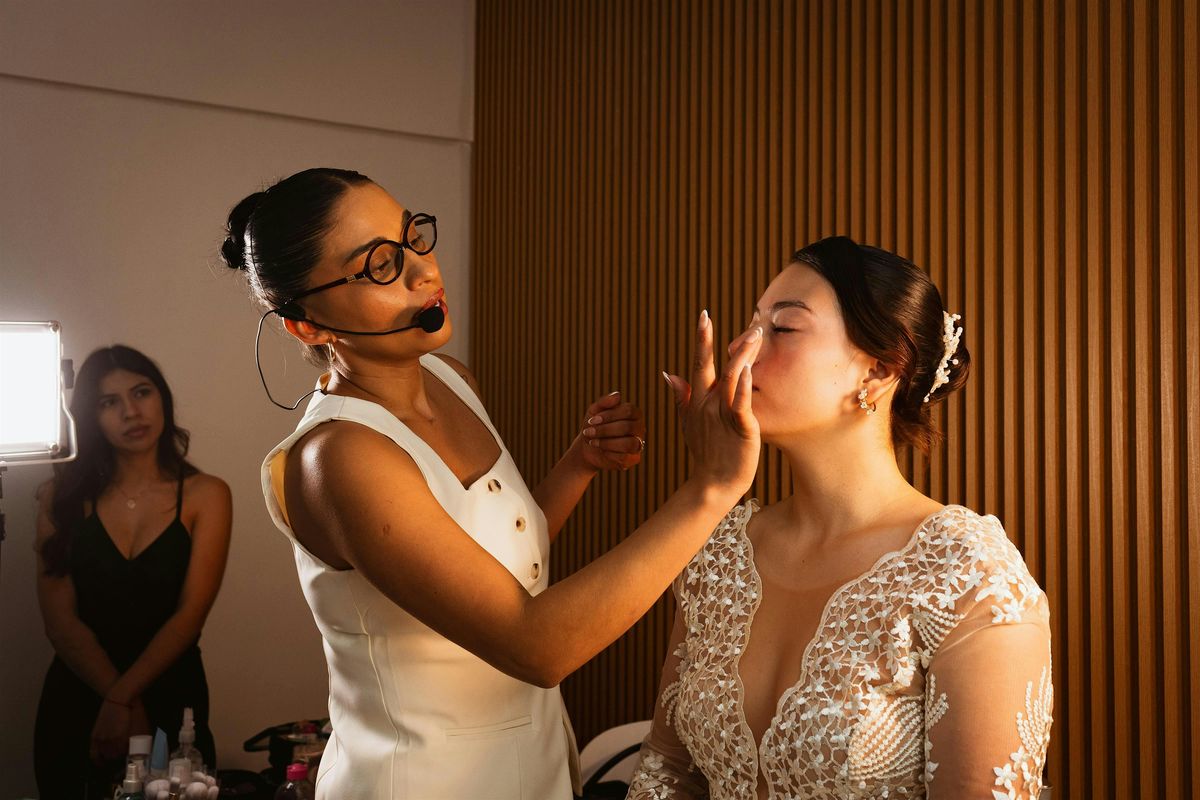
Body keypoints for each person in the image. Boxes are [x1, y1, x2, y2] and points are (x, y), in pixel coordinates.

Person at [219, 167, 763, 799]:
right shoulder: (339, 456)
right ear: (308, 325)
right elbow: (535, 646)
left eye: (412, 238)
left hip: (535, 766)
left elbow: (490, 569)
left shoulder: (451, 380)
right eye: (380, 265)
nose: (424, 271)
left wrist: (579, 465)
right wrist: (711, 489)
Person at [628, 236, 1053, 799]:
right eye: (750, 324)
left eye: (782, 328)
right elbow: (667, 769)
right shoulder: (721, 551)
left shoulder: (968, 574)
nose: (740, 347)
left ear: (876, 371)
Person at [33, 345, 232, 797]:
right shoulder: (59, 497)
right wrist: (117, 700)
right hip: (77, 694)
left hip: (172, 694)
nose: (131, 412)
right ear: (90, 416)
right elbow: (59, 622)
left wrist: (122, 698)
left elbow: (190, 615)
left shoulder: (206, 495)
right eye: (109, 402)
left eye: (141, 392)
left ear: (162, 398)